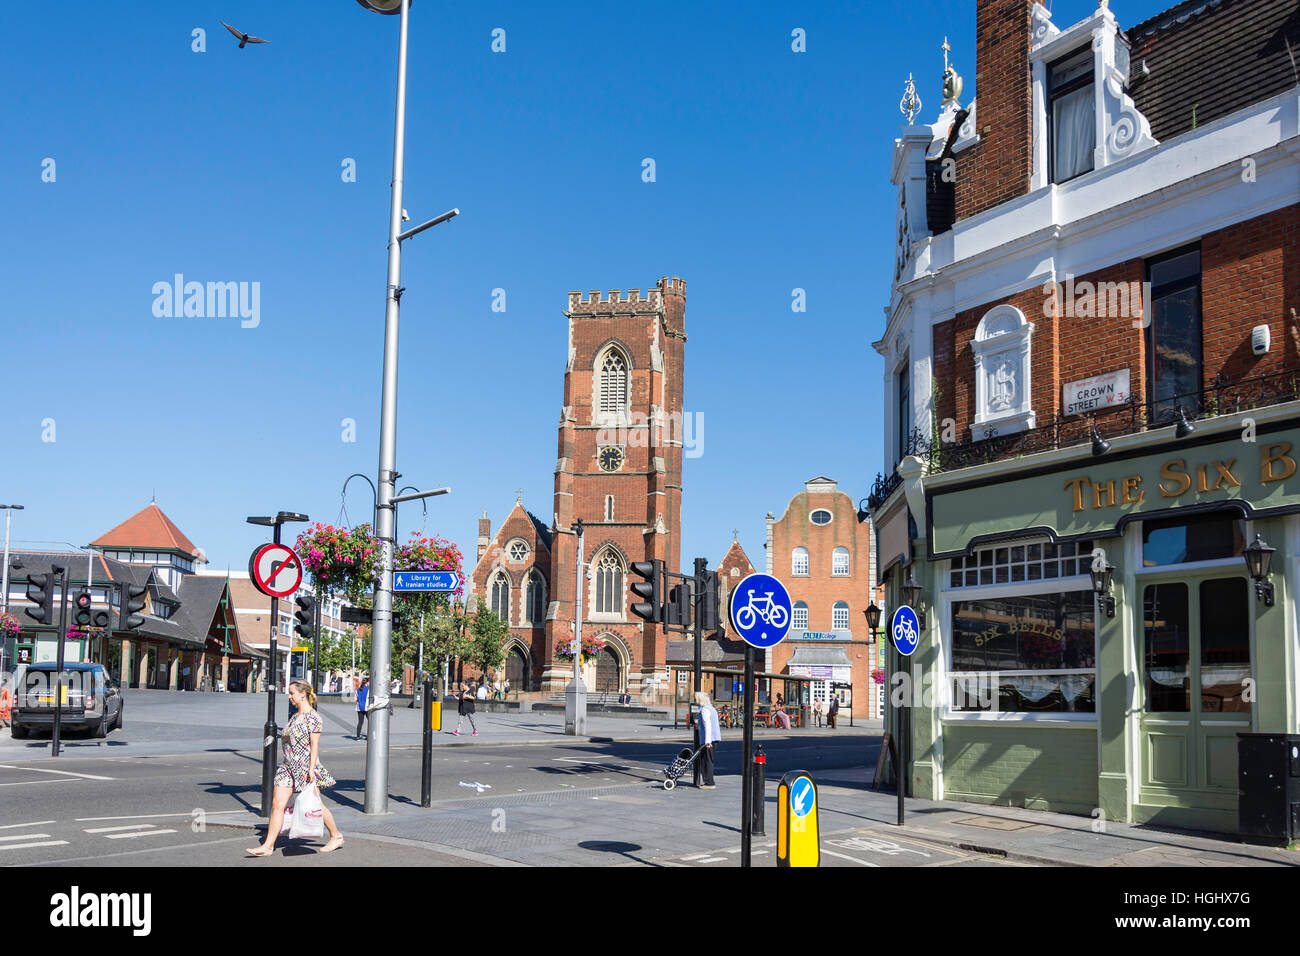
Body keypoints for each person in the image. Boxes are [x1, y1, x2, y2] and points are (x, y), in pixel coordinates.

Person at [246, 680, 343, 856]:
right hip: (288, 766)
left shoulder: (313, 717)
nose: (289, 697)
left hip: (304, 766)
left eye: (292, 693)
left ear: (302, 694)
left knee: (316, 805)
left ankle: (336, 836)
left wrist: (311, 769)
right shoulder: (294, 717)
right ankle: (268, 846)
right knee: (277, 804)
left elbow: (314, 745)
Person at [695, 692, 720, 789]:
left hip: (709, 740)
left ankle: (709, 783)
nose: (695, 701)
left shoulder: (705, 710)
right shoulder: (711, 708)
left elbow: (708, 726)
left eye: (696, 699)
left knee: (706, 761)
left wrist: (707, 742)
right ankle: (708, 782)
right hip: (714, 738)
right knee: (708, 760)